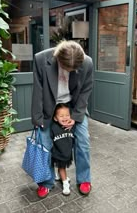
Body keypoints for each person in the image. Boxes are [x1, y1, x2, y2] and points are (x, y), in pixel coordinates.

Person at [31, 40, 93, 198]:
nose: (70, 71)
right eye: (67, 68)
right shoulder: (40, 59)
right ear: (57, 58)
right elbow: (37, 91)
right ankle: (46, 182)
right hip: (49, 108)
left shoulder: (86, 63)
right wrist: (38, 119)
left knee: (83, 141)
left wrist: (76, 115)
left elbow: (86, 90)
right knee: (44, 144)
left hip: (72, 107)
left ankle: (84, 179)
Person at [51, 103, 74, 196]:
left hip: (67, 152)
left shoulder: (71, 126)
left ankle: (60, 176)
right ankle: (65, 183)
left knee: (62, 167)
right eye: (61, 116)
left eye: (67, 115)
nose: (65, 118)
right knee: (62, 167)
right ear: (55, 118)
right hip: (58, 153)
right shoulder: (53, 127)